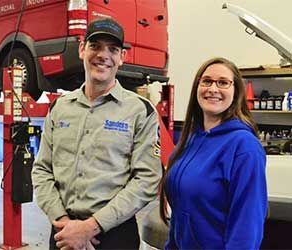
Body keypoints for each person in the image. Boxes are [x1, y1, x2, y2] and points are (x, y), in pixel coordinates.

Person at [32, 17, 162, 250]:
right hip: (63, 232)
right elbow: (42, 170)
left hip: (114, 235)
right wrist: (63, 222)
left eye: (112, 49)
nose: (103, 55)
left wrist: (91, 227)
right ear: (82, 49)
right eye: (95, 46)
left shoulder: (140, 111)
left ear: (122, 57)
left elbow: (147, 180)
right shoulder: (59, 108)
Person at [160, 57, 267, 249]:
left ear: (236, 92)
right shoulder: (190, 140)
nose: (213, 89)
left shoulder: (244, 147)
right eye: (207, 81)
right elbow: (181, 213)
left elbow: (247, 227)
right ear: (197, 87)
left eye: (223, 83)